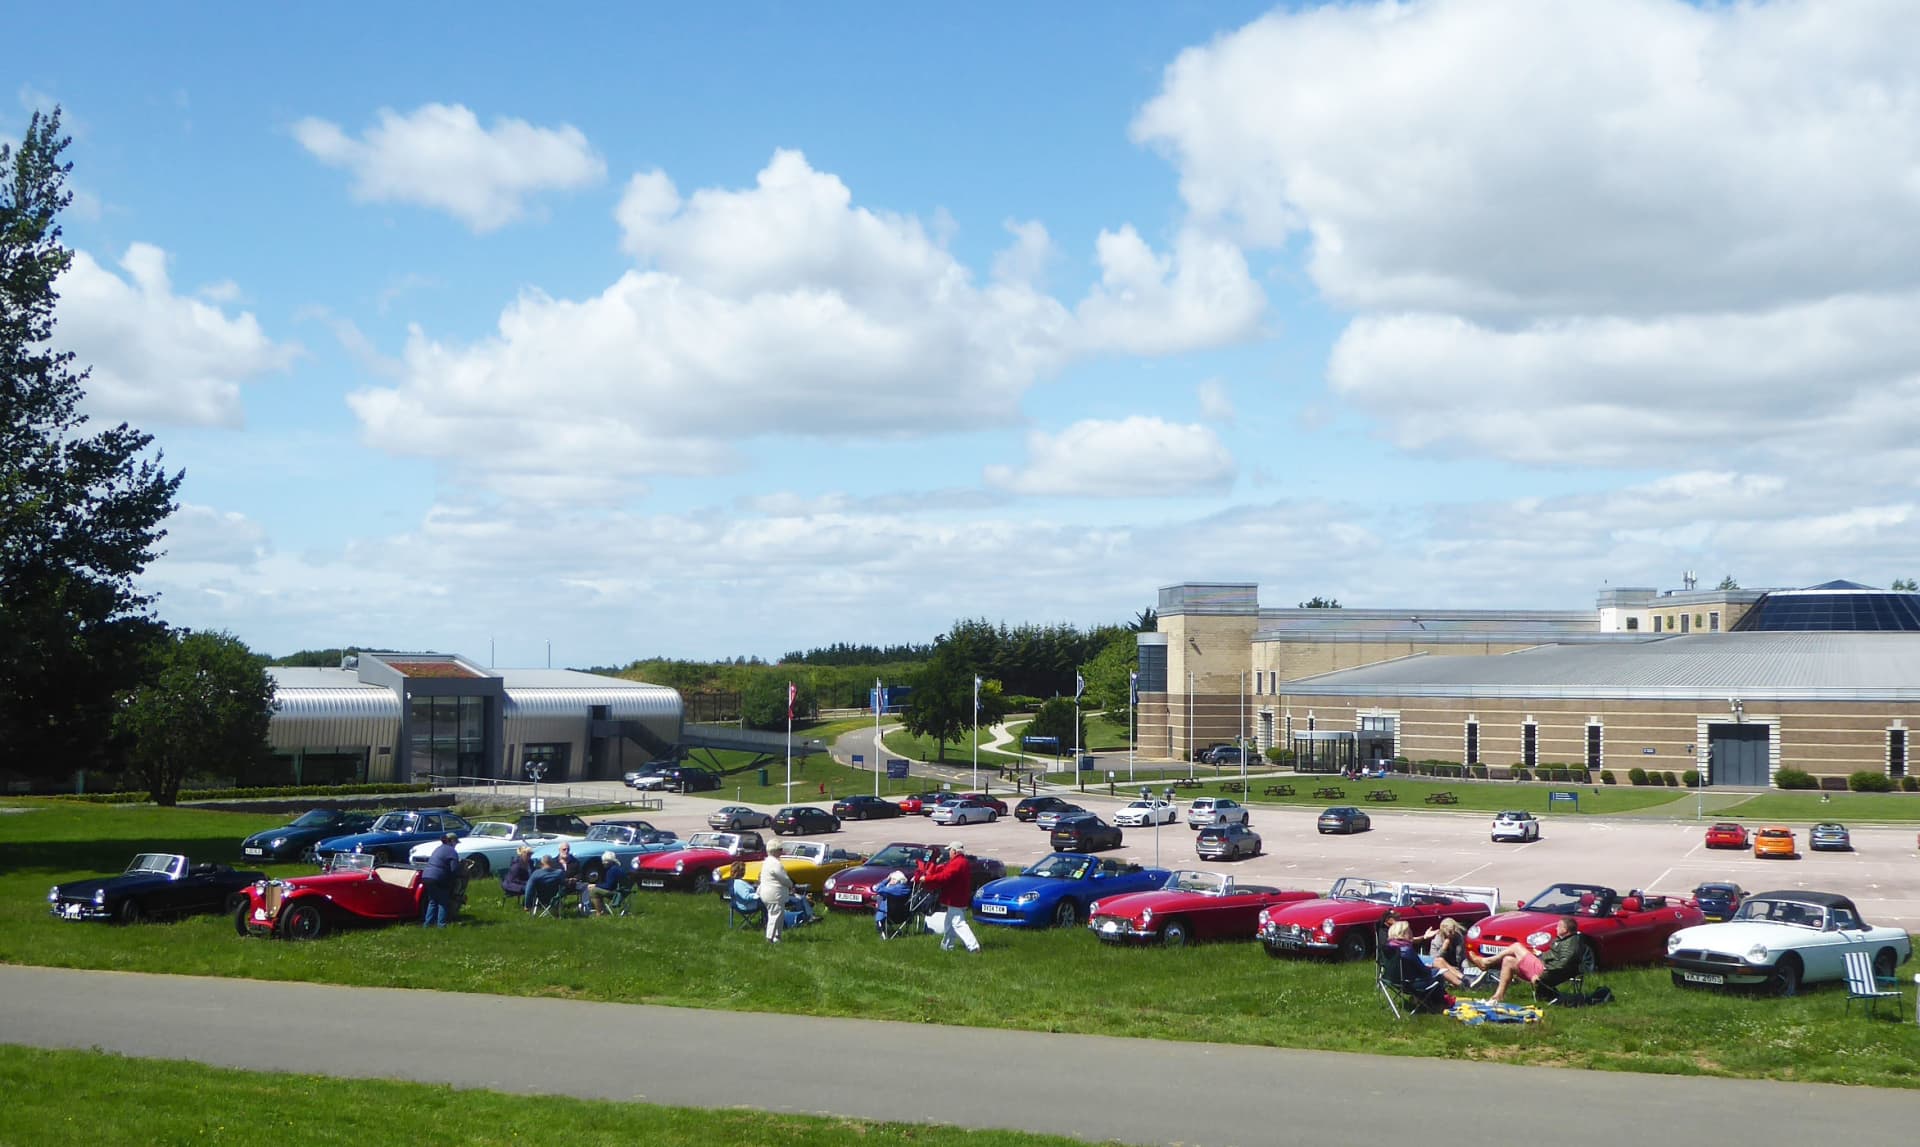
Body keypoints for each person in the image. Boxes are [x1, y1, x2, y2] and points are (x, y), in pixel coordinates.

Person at [1485, 916, 1583, 1003]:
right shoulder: (1564, 940)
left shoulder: (1570, 943)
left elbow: (1563, 964)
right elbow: (1554, 956)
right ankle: (1498, 996)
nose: (1556, 928)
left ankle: (1487, 962)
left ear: (1565, 930)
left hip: (1546, 972)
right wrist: (1540, 954)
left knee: (1516, 946)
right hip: (1545, 968)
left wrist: (1542, 975)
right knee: (1508, 960)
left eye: (1558, 926)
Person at [916, 841, 980, 953]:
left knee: (958, 923)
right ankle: (946, 947)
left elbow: (945, 876)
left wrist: (927, 879)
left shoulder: (958, 863)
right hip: (958, 897)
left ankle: (973, 947)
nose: (949, 852)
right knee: (949, 924)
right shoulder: (961, 862)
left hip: (955, 898)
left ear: (954, 851)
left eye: (950, 850)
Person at [419, 831, 461, 927]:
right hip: (438, 878)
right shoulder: (451, 851)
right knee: (443, 902)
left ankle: (427, 924)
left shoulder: (438, 849)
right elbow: (454, 869)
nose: (456, 845)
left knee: (432, 901)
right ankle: (441, 925)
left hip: (426, 877)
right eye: (455, 843)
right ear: (451, 841)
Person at [757, 848, 795, 943]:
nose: (781, 851)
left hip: (768, 893)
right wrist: (791, 885)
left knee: (779, 915)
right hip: (774, 894)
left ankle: (777, 937)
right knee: (775, 915)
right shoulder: (775, 864)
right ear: (774, 851)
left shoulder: (767, 862)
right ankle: (769, 938)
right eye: (780, 849)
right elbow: (784, 879)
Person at [586, 851, 626, 916]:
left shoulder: (612, 870)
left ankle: (600, 912)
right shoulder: (617, 868)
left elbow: (608, 886)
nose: (603, 863)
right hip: (622, 891)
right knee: (597, 889)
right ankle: (602, 909)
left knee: (593, 891)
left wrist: (595, 885)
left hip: (616, 893)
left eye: (604, 861)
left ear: (609, 862)